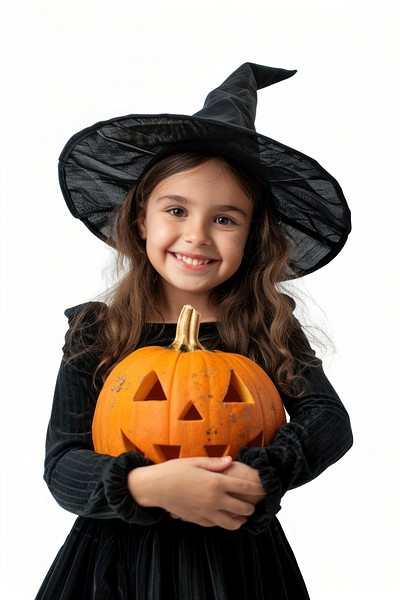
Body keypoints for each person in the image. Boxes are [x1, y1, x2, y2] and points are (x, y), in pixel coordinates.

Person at [36, 63, 353, 599]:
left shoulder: (268, 325)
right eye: (176, 209)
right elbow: (63, 462)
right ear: (141, 219)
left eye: (225, 219)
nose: (197, 235)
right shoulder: (99, 329)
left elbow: (329, 420)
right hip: (116, 565)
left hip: (237, 562)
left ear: (252, 235)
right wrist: (146, 484)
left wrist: (262, 475)